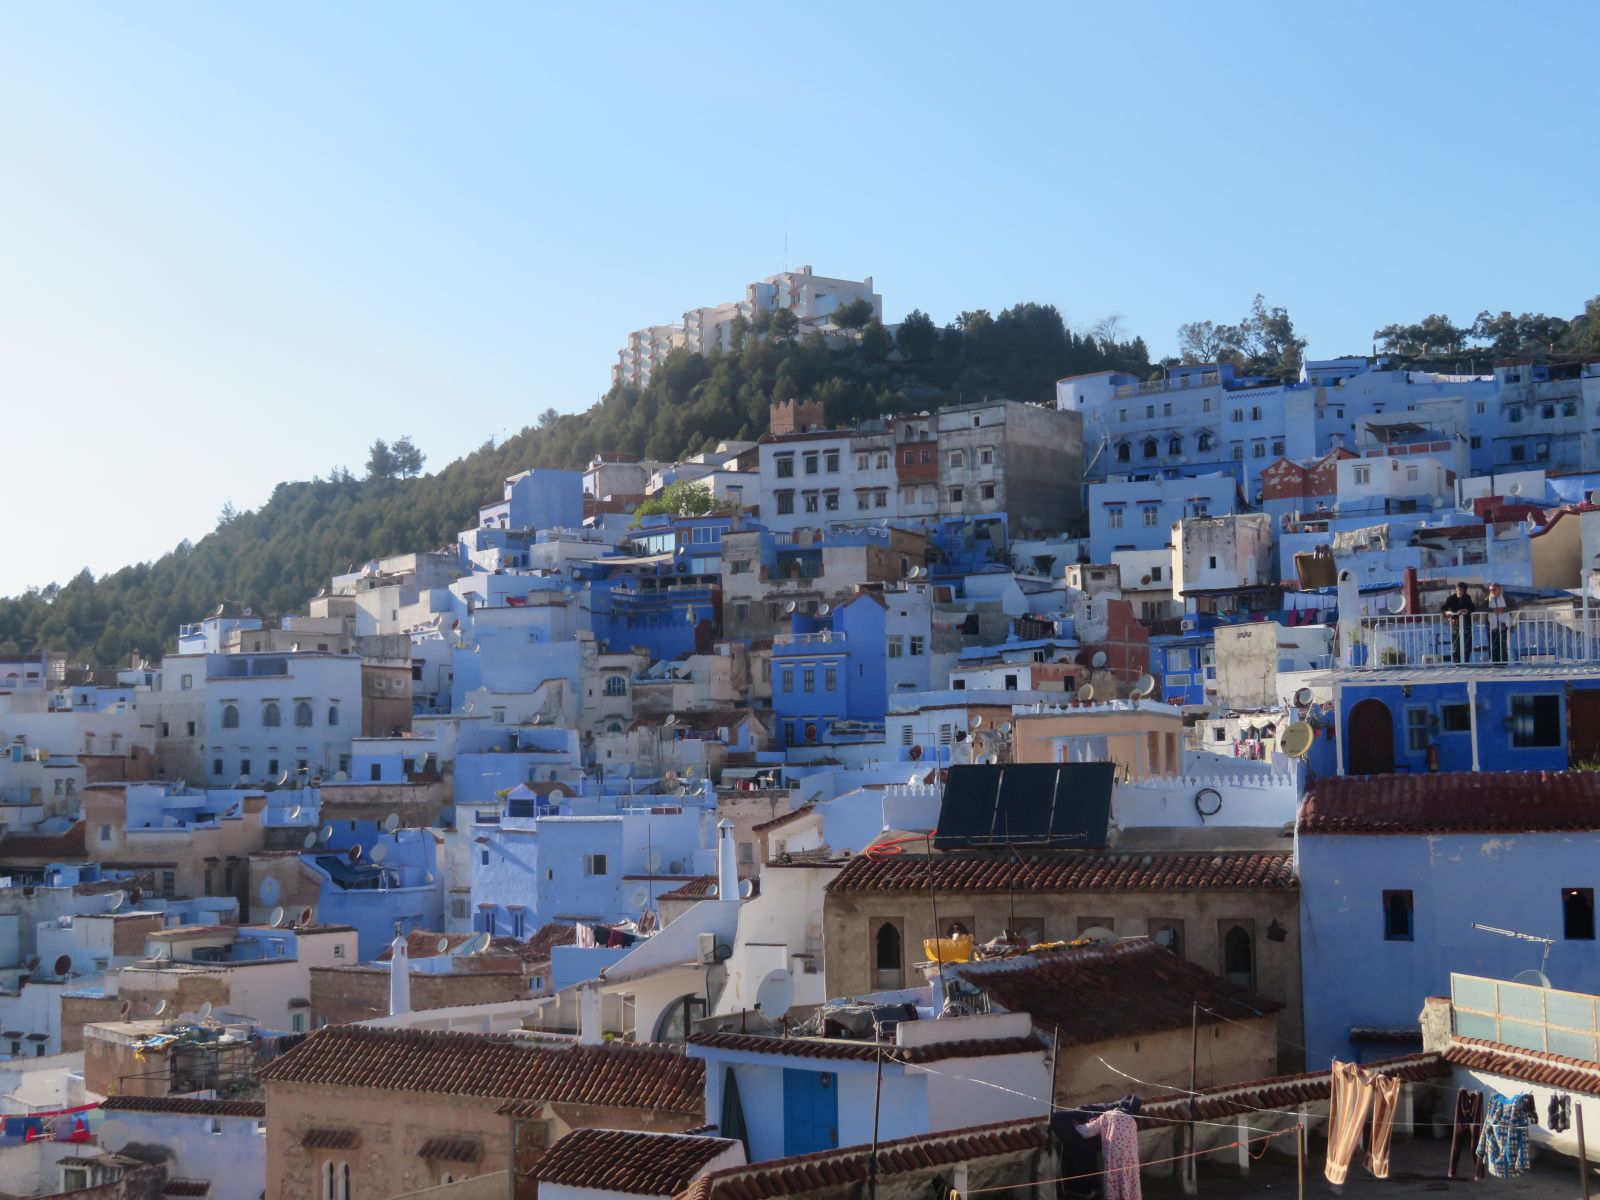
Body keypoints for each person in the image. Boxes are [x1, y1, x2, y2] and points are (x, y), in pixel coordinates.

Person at [1441, 582, 1476, 663]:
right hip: (1455, 624)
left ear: (1465, 591)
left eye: (1461, 590)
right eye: (1458, 589)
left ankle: (1465, 661)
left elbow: (1472, 608)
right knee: (1456, 643)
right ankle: (1457, 662)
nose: (1459, 591)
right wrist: (1447, 613)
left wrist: (1465, 610)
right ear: (1456, 590)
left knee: (1467, 642)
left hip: (1466, 623)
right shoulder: (1451, 598)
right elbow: (1443, 609)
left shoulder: (1467, 598)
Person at [1485, 583, 1513, 664]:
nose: (1492, 591)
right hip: (1491, 625)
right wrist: (1493, 610)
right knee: (1492, 644)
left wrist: (1502, 610)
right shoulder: (1487, 600)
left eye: (1494, 590)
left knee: (1502, 644)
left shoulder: (1506, 599)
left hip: (1503, 624)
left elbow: (1515, 607)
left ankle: (1503, 662)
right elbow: (1480, 608)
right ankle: (1494, 662)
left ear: (1499, 590)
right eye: (1490, 590)